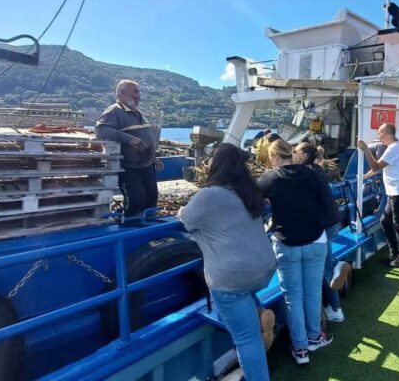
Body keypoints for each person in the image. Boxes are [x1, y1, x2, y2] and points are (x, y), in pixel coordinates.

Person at [178, 143, 277, 381]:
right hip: (263, 267)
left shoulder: (208, 195)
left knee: (246, 339)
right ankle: (258, 310)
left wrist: (182, 211)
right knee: (242, 294)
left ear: (216, 166)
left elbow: (185, 219)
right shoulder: (248, 193)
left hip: (232, 276)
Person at [258, 139, 333, 365]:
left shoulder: (269, 178)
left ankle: (300, 349)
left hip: (286, 243)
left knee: (292, 297)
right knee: (312, 293)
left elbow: (250, 201)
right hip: (315, 240)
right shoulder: (313, 174)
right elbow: (326, 203)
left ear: (274, 157)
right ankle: (314, 337)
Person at [293, 142, 351, 323]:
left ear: (303, 155)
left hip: (322, 224)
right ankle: (335, 271)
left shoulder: (305, 172)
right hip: (332, 221)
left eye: (295, 151)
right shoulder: (316, 169)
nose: (293, 154)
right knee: (324, 262)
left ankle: (335, 307)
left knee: (324, 269)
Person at [96, 79, 163, 216]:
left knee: (151, 200)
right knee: (135, 203)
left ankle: (148, 231)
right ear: (122, 92)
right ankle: (128, 227)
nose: (139, 95)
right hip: (130, 168)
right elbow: (101, 130)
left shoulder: (137, 113)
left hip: (147, 166)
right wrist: (130, 139)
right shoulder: (114, 111)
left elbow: (145, 137)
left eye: (139, 92)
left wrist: (153, 157)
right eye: (135, 92)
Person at [356, 123, 399, 268]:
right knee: (385, 221)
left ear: (386, 133)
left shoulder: (394, 148)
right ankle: (394, 255)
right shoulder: (395, 148)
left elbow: (375, 166)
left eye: (379, 133)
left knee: (398, 224)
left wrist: (366, 149)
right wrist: (364, 177)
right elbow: (379, 167)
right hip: (395, 191)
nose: (378, 136)